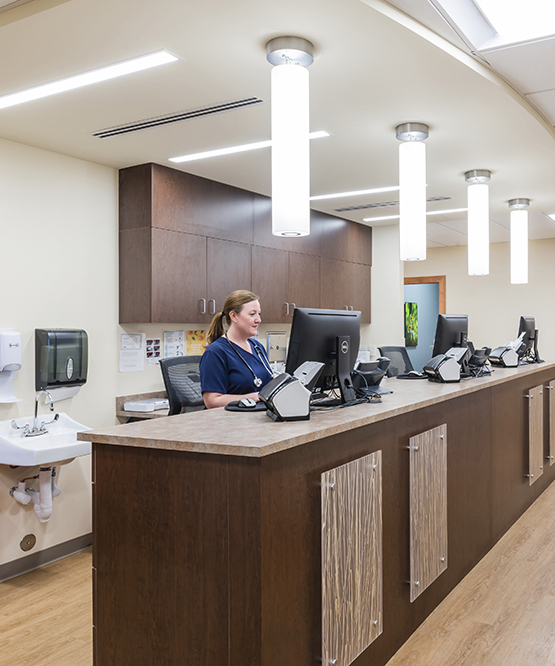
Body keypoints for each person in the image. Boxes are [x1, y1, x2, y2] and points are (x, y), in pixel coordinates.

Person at [200, 290, 274, 408]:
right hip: (230, 422)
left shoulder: (257, 347)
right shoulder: (216, 352)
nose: (258, 319)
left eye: (259, 314)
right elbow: (212, 401)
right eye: (252, 314)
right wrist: (254, 397)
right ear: (233, 316)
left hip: (260, 418)